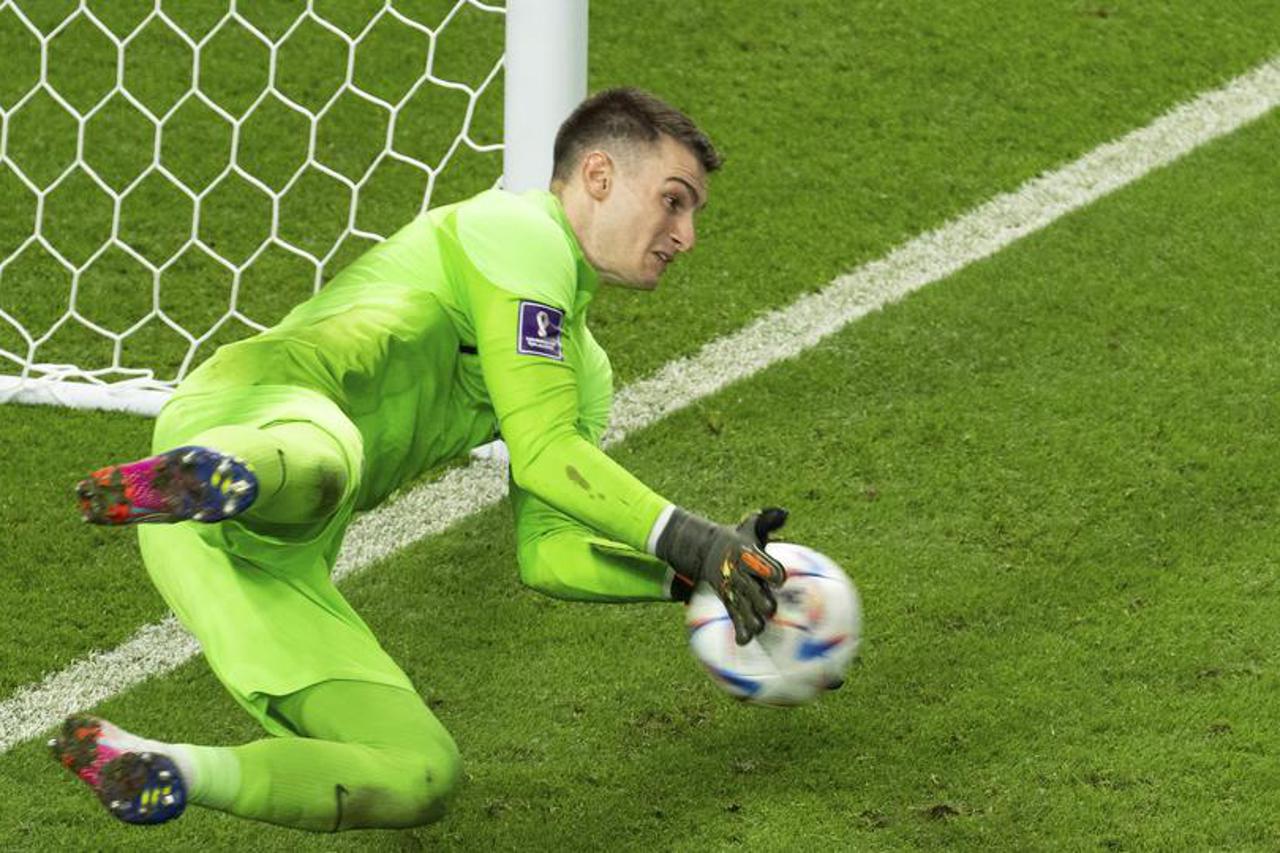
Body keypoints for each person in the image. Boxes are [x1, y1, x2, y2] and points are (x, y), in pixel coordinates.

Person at [52, 87, 789, 832]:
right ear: (598, 175)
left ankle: (160, 765)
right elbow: (543, 453)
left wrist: (683, 578)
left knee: (421, 772)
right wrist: (699, 539)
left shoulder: (584, 369)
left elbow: (549, 553)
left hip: (260, 552)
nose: (686, 235)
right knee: (327, 457)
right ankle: (208, 470)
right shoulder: (517, 231)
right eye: (673, 201)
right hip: (252, 412)